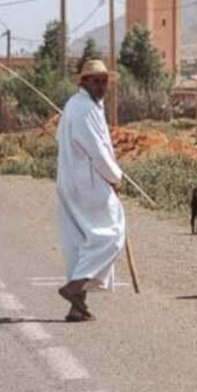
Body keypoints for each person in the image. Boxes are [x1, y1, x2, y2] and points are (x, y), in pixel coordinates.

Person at [55, 59, 125, 322]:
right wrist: (115, 177)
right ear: (83, 82)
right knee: (112, 233)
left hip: (71, 181)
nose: (101, 86)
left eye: (104, 81)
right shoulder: (85, 108)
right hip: (88, 183)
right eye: (95, 81)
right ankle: (75, 286)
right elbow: (97, 151)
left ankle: (77, 307)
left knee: (79, 241)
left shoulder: (76, 105)